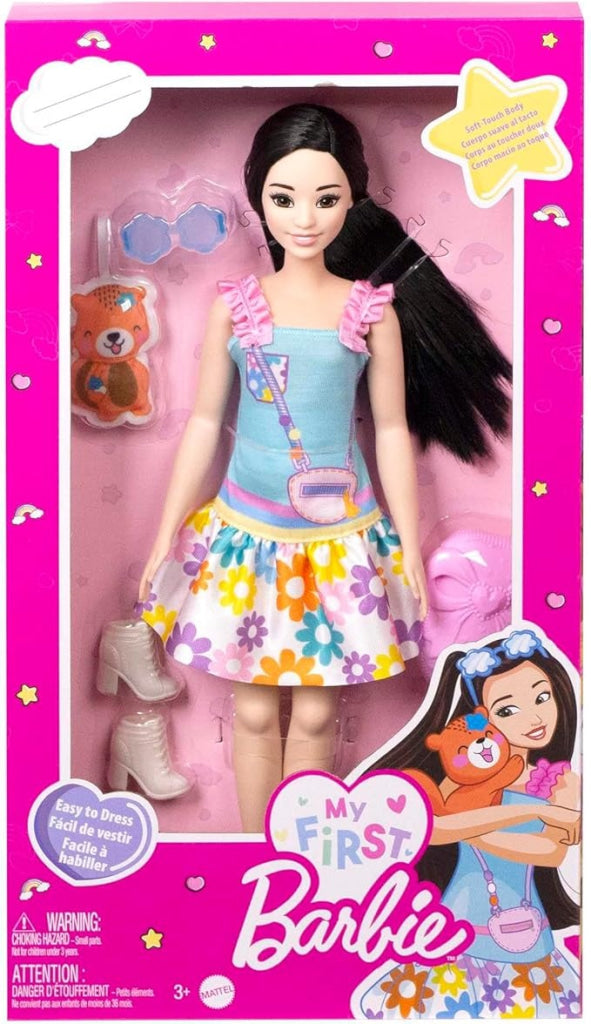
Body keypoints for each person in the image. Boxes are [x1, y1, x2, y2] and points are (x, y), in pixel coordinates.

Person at [134, 104, 511, 832]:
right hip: (245, 535)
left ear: (352, 201)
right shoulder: (237, 307)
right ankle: (255, 857)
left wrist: (405, 542)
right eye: (284, 198)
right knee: (251, 711)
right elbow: (206, 424)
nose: (304, 218)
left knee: (314, 715)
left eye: (325, 198)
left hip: (338, 542)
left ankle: (300, 856)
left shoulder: (369, 312)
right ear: (258, 198)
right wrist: (163, 534)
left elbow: (391, 430)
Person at [355, 627, 580, 1018]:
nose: (534, 717)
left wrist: (468, 825)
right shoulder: (464, 774)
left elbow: (548, 852)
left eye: (542, 697)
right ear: (481, 718)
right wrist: (536, 812)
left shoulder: (561, 781)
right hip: (455, 930)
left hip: (530, 938)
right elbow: (430, 828)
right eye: (508, 710)